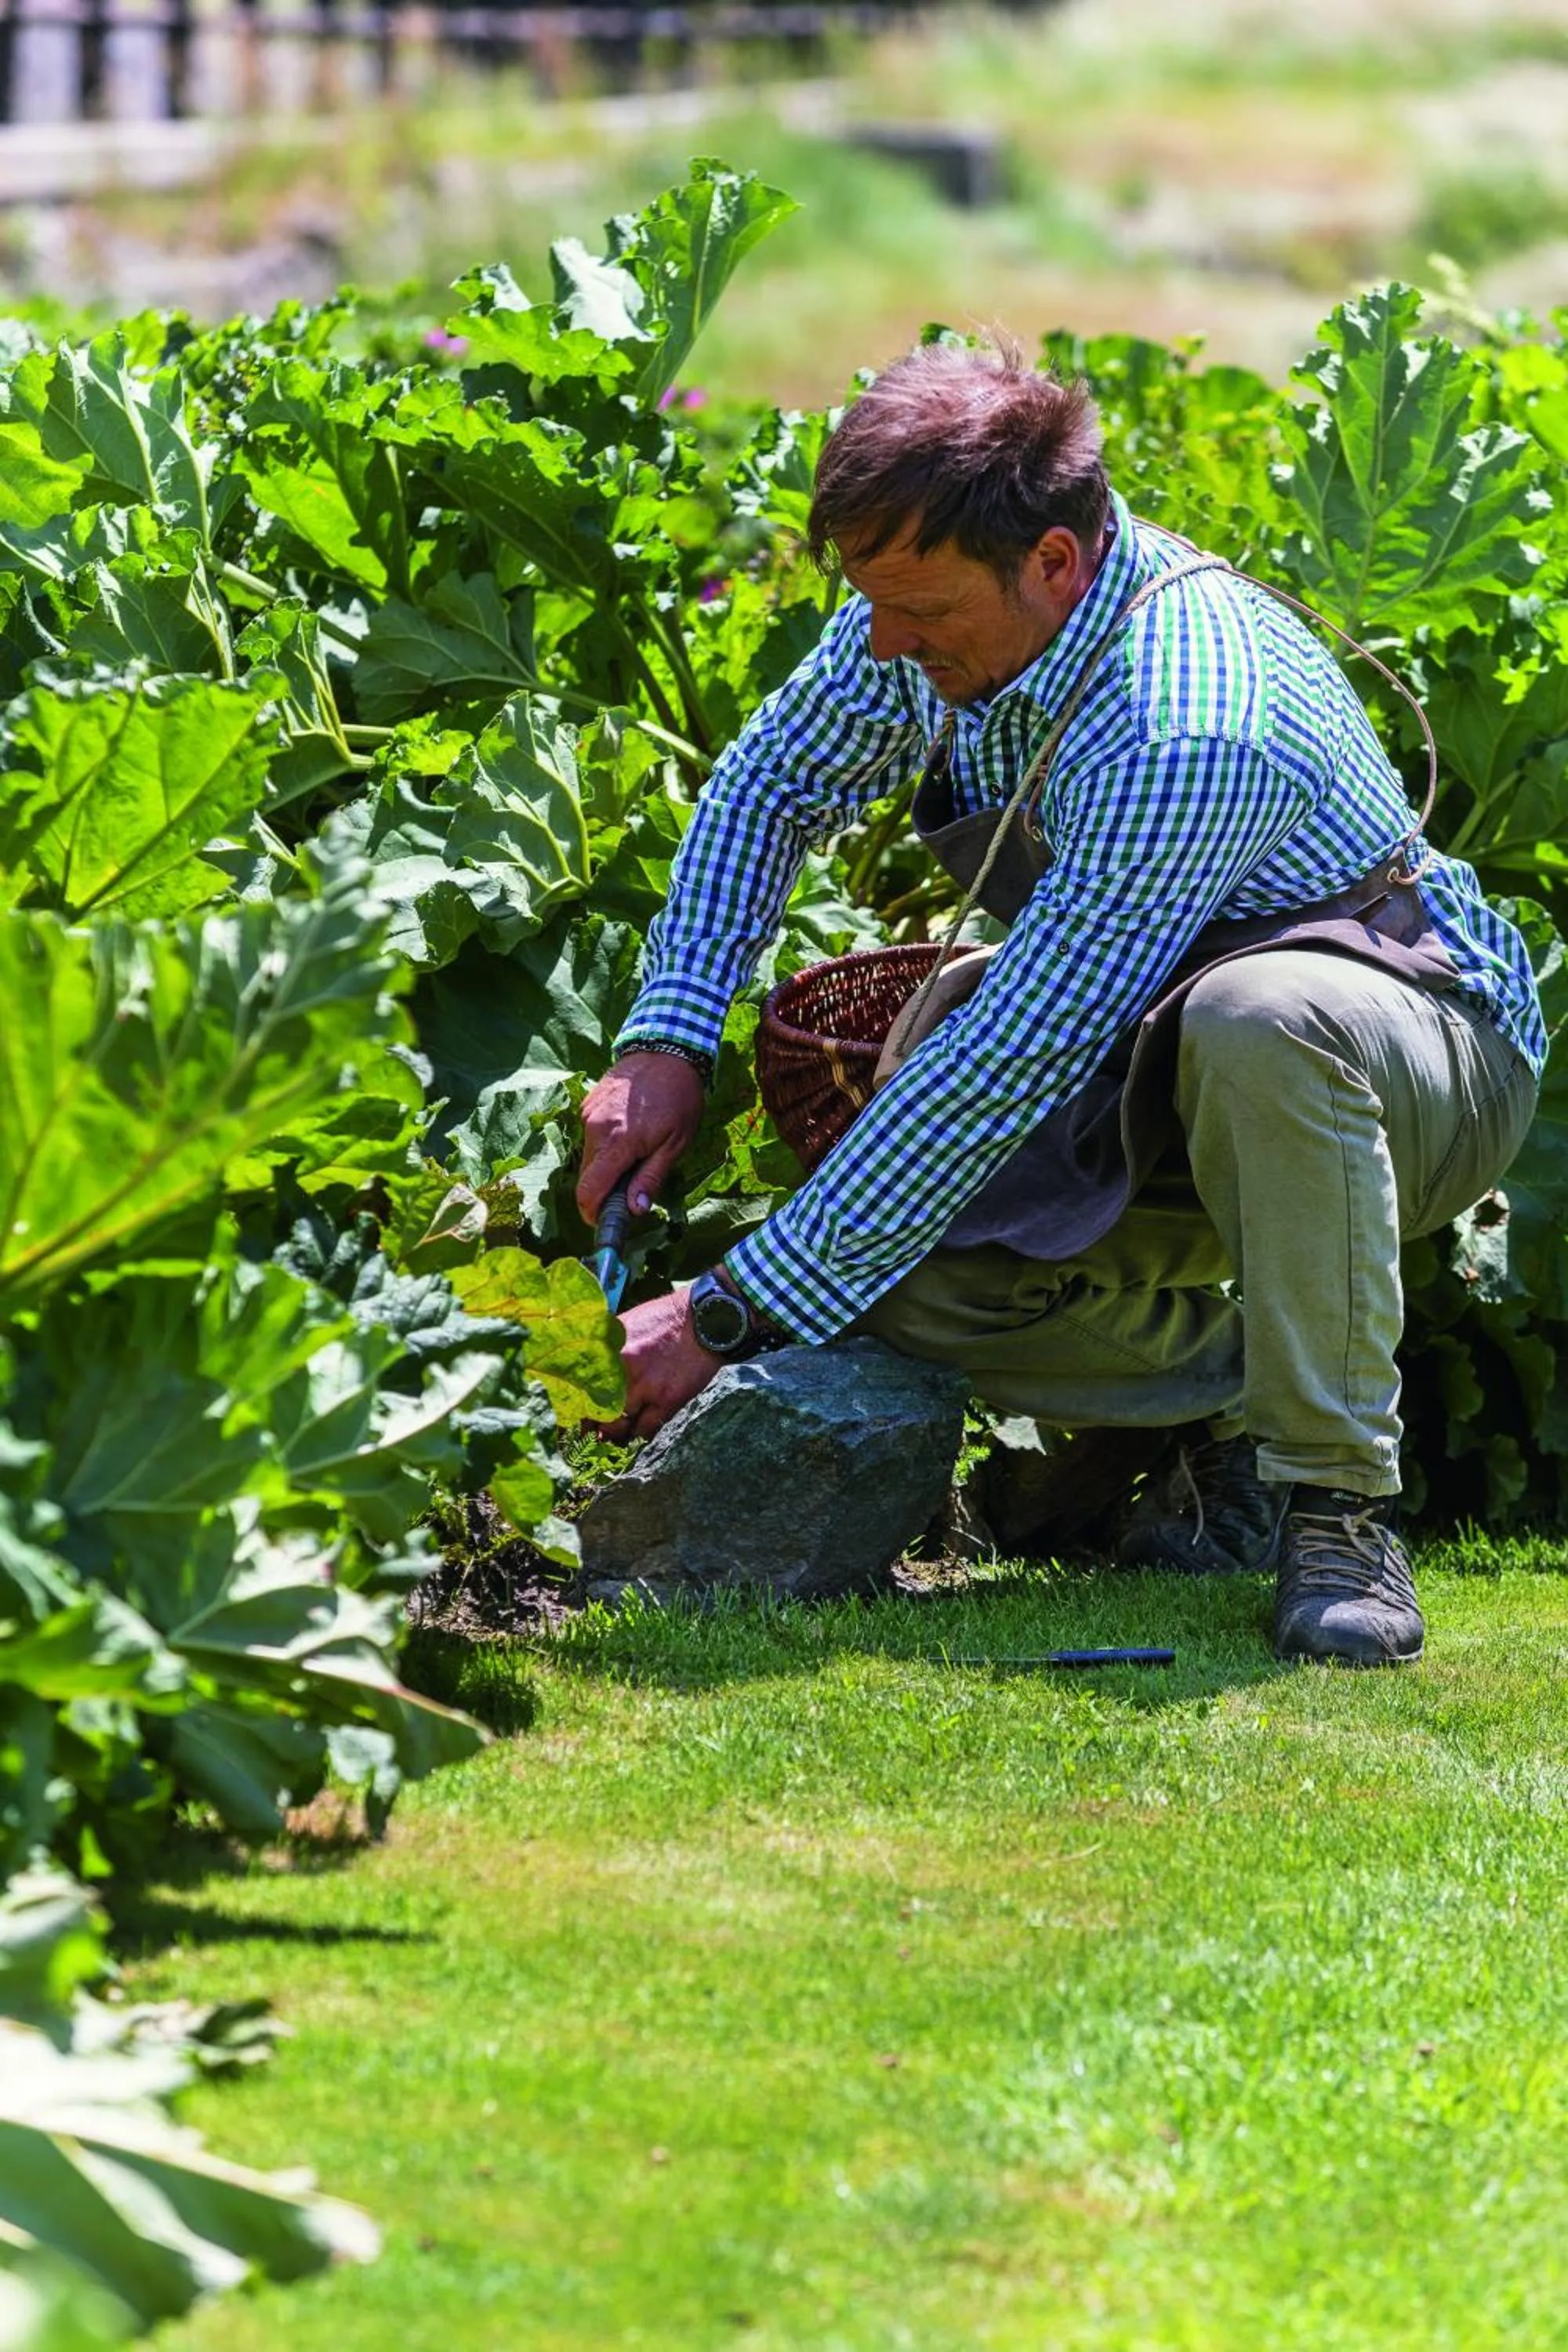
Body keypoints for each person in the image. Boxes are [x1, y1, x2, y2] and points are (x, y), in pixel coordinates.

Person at [575, 343, 1543, 1667]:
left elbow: (1007, 1061)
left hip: (1413, 1052)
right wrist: (667, 1040)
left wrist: (719, 1313)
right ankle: (1245, 1391)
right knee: (885, 1284)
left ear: (1054, 565)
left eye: (917, 611)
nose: (883, 641)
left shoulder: (1188, 715)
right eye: (872, 601)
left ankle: (1335, 1501)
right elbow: (768, 789)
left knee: (1259, 1016)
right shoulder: (929, 599)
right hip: (1152, 1051)